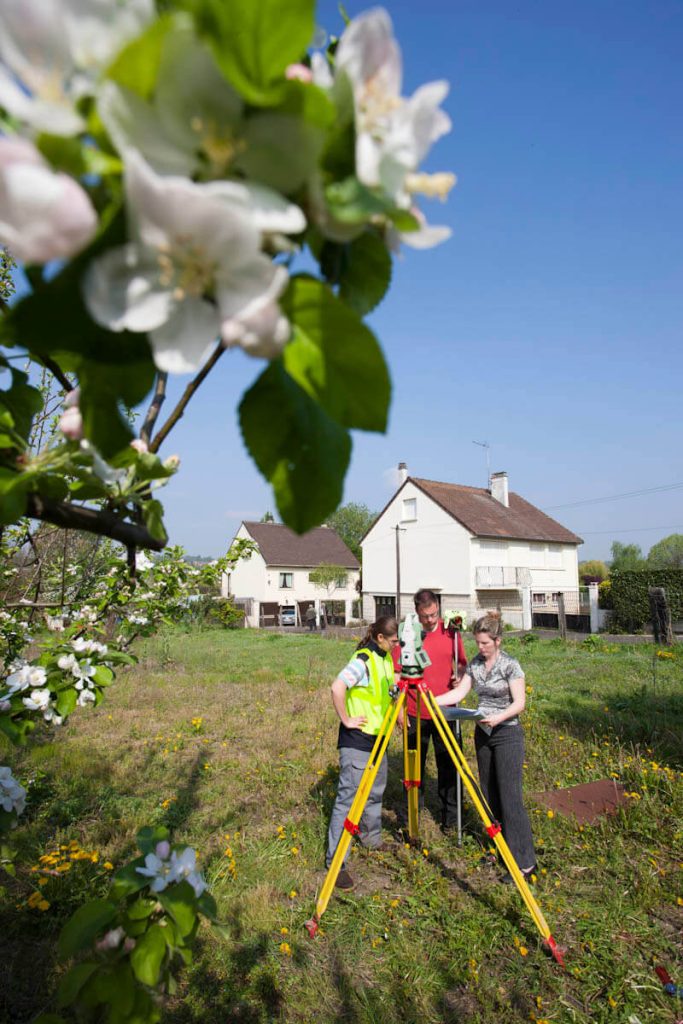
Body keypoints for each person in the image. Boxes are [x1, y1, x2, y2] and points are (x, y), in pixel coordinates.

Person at [435, 611, 537, 881]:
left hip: (506, 734)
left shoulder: (510, 666)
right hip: (483, 734)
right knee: (490, 794)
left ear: (498, 641)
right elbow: (460, 693)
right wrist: (433, 700)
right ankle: (500, 849)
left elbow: (519, 703)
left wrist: (499, 717)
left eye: (485, 643)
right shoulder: (475, 666)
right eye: (478, 643)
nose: (480, 648)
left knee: (510, 797)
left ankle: (524, 862)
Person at [325, 615, 399, 890]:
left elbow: (386, 692)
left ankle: (371, 839)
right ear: (381, 638)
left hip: (378, 739)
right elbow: (337, 687)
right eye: (393, 640)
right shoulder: (364, 660)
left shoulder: (385, 658)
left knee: (374, 792)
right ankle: (336, 861)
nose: (397, 644)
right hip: (357, 741)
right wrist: (346, 718)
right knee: (349, 800)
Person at [393, 589, 467, 832]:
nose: (431, 620)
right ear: (417, 612)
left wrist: (460, 676)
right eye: (425, 616)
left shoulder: (452, 630)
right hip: (415, 710)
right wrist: (399, 710)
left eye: (434, 614)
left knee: (449, 766)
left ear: (439, 608)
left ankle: (452, 820)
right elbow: (396, 673)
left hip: (446, 710)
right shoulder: (408, 631)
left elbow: (464, 665)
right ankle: (411, 818)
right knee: (413, 769)